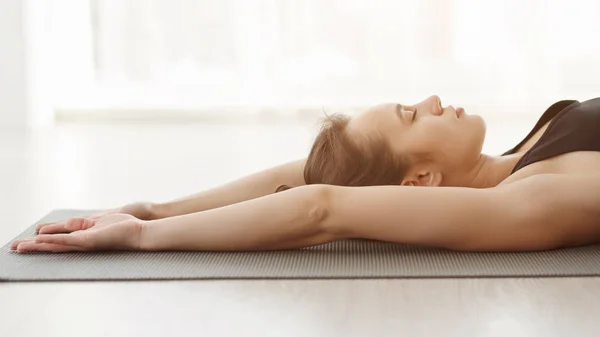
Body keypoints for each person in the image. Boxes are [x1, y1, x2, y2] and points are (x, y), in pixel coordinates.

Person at [10, 95, 600, 254]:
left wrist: (154, 208)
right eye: (410, 115)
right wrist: (144, 238)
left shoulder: (525, 154)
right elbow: (322, 204)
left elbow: (311, 177)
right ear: (419, 183)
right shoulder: (535, 198)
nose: (431, 98)